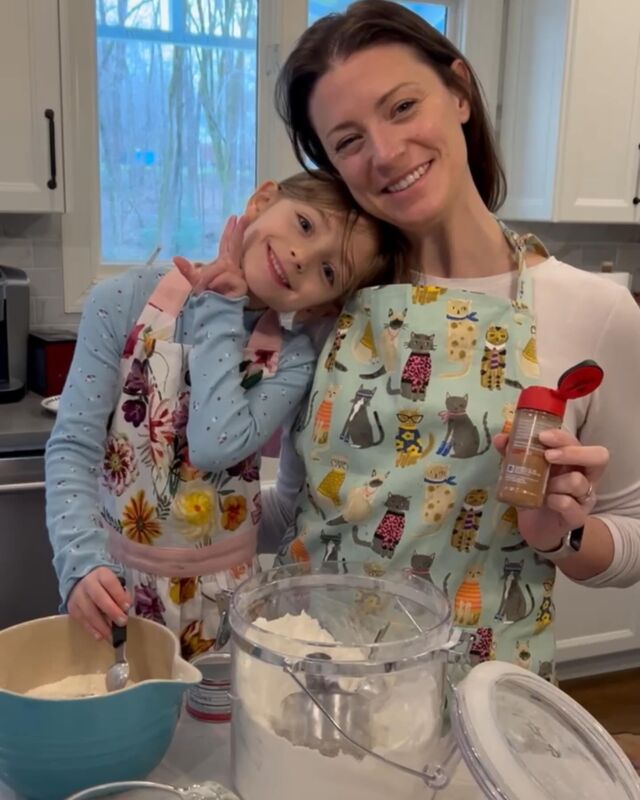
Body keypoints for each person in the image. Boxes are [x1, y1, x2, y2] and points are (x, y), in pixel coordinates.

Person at [264, 0, 640, 678]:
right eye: (348, 141)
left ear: (460, 92)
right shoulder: (331, 309)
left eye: (402, 107)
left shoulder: (598, 312)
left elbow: (633, 532)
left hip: (477, 722)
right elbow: (294, 511)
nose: (384, 152)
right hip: (315, 690)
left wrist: (561, 534)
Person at [46, 170, 396, 659]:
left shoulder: (292, 360)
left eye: (328, 272)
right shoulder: (121, 302)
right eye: (304, 224)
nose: (301, 257)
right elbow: (73, 450)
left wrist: (221, 307)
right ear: (262, 199)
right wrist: (80, 564)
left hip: (225, 613)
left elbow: (214, 444)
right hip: (116, 592)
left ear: (324, 306)